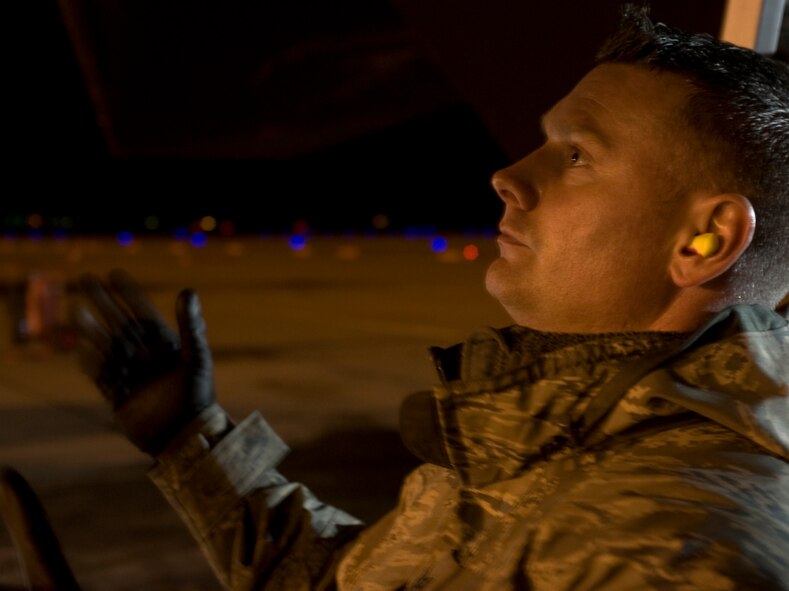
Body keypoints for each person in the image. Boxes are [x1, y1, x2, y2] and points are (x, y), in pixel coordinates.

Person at [70, 4, 788, 590]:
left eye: (576, 154)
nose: (507, 175)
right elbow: (342, 580)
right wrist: (189, 439)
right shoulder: (560, 445)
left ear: (703, 239)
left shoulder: (672, 551)